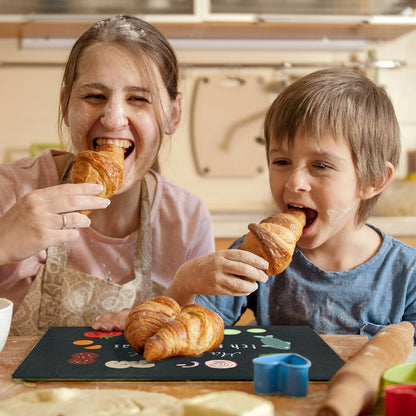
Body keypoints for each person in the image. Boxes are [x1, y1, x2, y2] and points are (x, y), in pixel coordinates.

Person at [0, 14, 220, 336]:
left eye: (138, 99)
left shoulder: (185, 219)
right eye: (94, 96)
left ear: (173, 114)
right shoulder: (11, 191)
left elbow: (198, 338)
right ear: (65, 105)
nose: (114, 118)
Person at [193, 67, 416, 341]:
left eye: (320, 165)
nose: (294, 182)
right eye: (282, 162)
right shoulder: (256, 253)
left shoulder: (407, 274)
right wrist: (187, 281)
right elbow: (196, 328)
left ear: (374, 180)